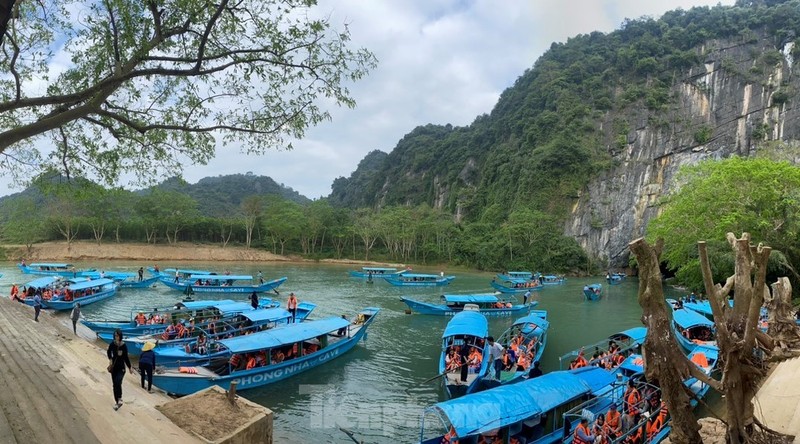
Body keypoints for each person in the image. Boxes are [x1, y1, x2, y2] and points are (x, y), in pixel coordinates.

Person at [107, 329, 133, 410]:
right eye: (115, 336)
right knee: (115, 384)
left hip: (121, 368)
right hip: (114, 367)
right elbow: (108, 351)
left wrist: (129, 367)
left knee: (118, 381)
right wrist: (110, 359)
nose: (116, 337)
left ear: (120, 336)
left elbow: (126, 357)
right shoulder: (113, 344)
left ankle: (120, 398)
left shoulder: (123, 345)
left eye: (117, 336)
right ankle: (117, 402)